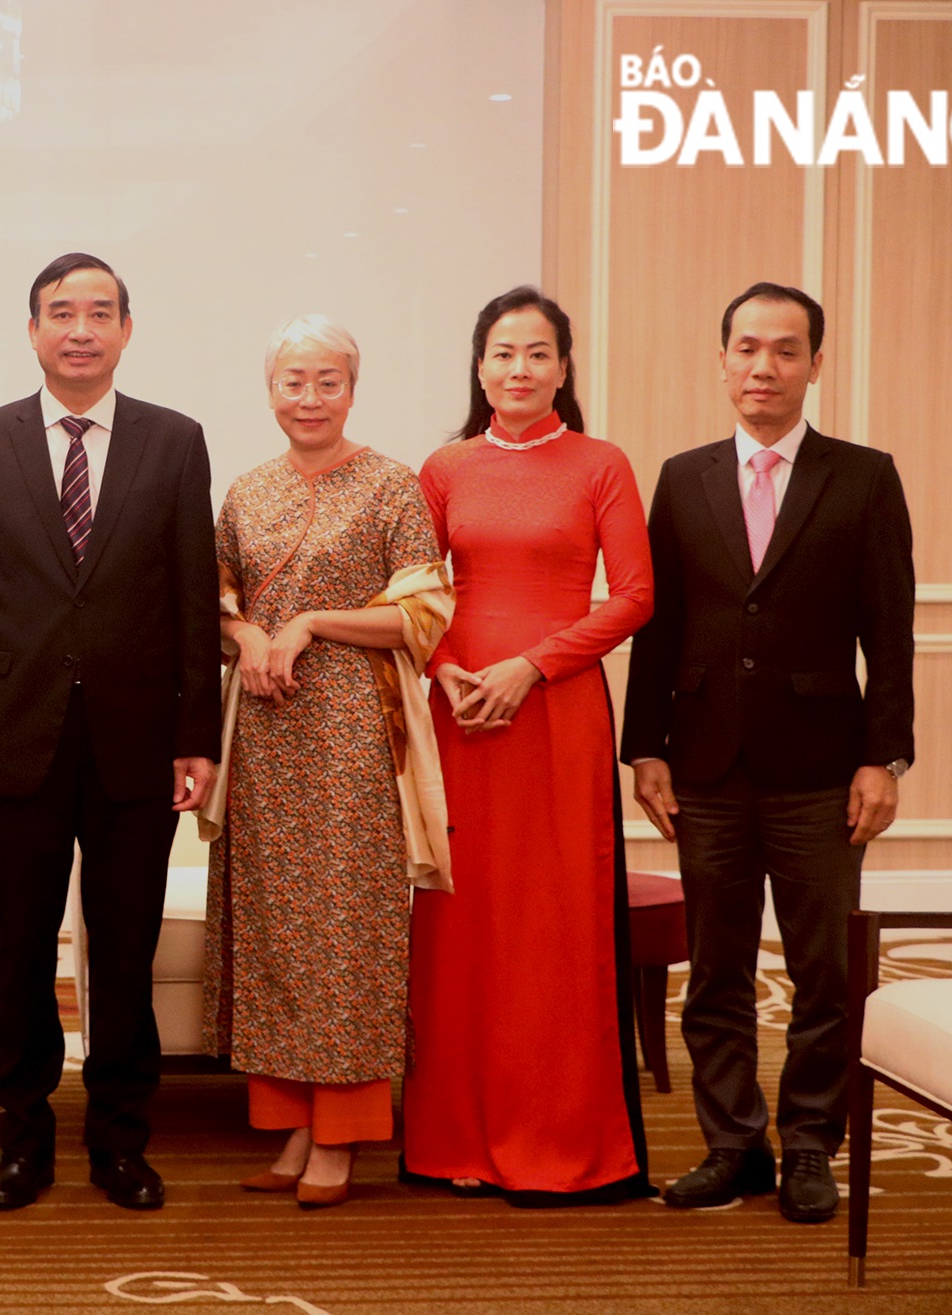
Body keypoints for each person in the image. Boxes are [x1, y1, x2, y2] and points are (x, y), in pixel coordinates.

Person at [622, 283, 914, 1224]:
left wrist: (886, 757)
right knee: (715, 968)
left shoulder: (864, 476)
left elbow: (891, 630)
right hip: (705, 764)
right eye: (747, 348)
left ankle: (813, 1146)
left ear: (815, 365)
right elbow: (658, 629)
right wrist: (645, 748)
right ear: (721, 360)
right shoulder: (682, 475)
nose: (764, 367)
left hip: (824, 766)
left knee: (824, 969)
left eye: (786, 351)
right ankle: (734, 1143)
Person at [0, 252, 220, 1212]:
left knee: (125, 949)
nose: (82, 329)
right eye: (63, 313)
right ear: (33, 331)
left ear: (128, 329)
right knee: (21, 949)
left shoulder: (175, 442)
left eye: (101, 312)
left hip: (139, 741)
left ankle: (121, 1140)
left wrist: (198, 735)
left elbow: (190, 598)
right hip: (16, 736)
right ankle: (24, 1139)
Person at [402, 286, 657, 1206]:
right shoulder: (442, 467)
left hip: (554, 714)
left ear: (563, 367)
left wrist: (530, 667)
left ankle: (556, 1137)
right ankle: (453, 1138)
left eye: (538, 353)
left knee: (553, 927)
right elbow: (412, 593)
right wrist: (449, 668)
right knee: (460, 927)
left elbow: (633, 595)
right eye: (503, 353)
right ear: (479, 367)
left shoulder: (601, 463)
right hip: (459, 714)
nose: (519, 369)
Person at [199, 315, 452, 1210]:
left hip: (351, 728)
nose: (309, 398)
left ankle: (343, 1136)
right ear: (270, 391)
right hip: (264, 734)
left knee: (346, 928)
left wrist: (312, 622)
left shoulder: (392, 487)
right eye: (292, 382)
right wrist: (253, 631)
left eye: (327, 381)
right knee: (270, 922)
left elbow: (423, 615)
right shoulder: (245, 491)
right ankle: (296, 1122)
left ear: (353, 387)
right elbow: (213, 602)